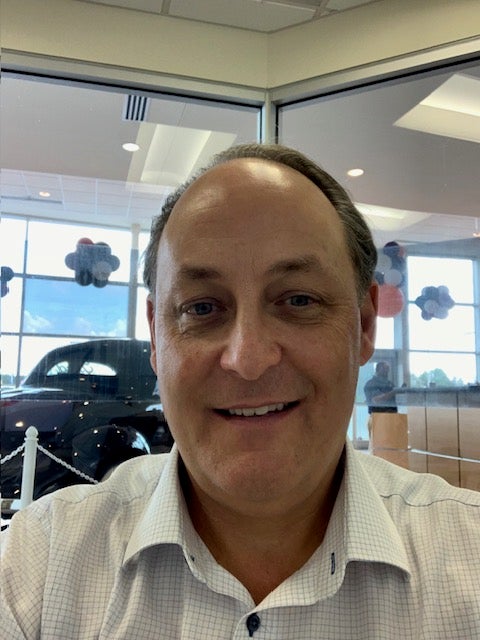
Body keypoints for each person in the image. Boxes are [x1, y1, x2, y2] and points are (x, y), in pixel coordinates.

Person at [1, 144, 479, 639]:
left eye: (299, 300)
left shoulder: (470, 560)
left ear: (363, 326)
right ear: (156, 338)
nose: (248, 360)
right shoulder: (41, 565)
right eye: (201, 308)